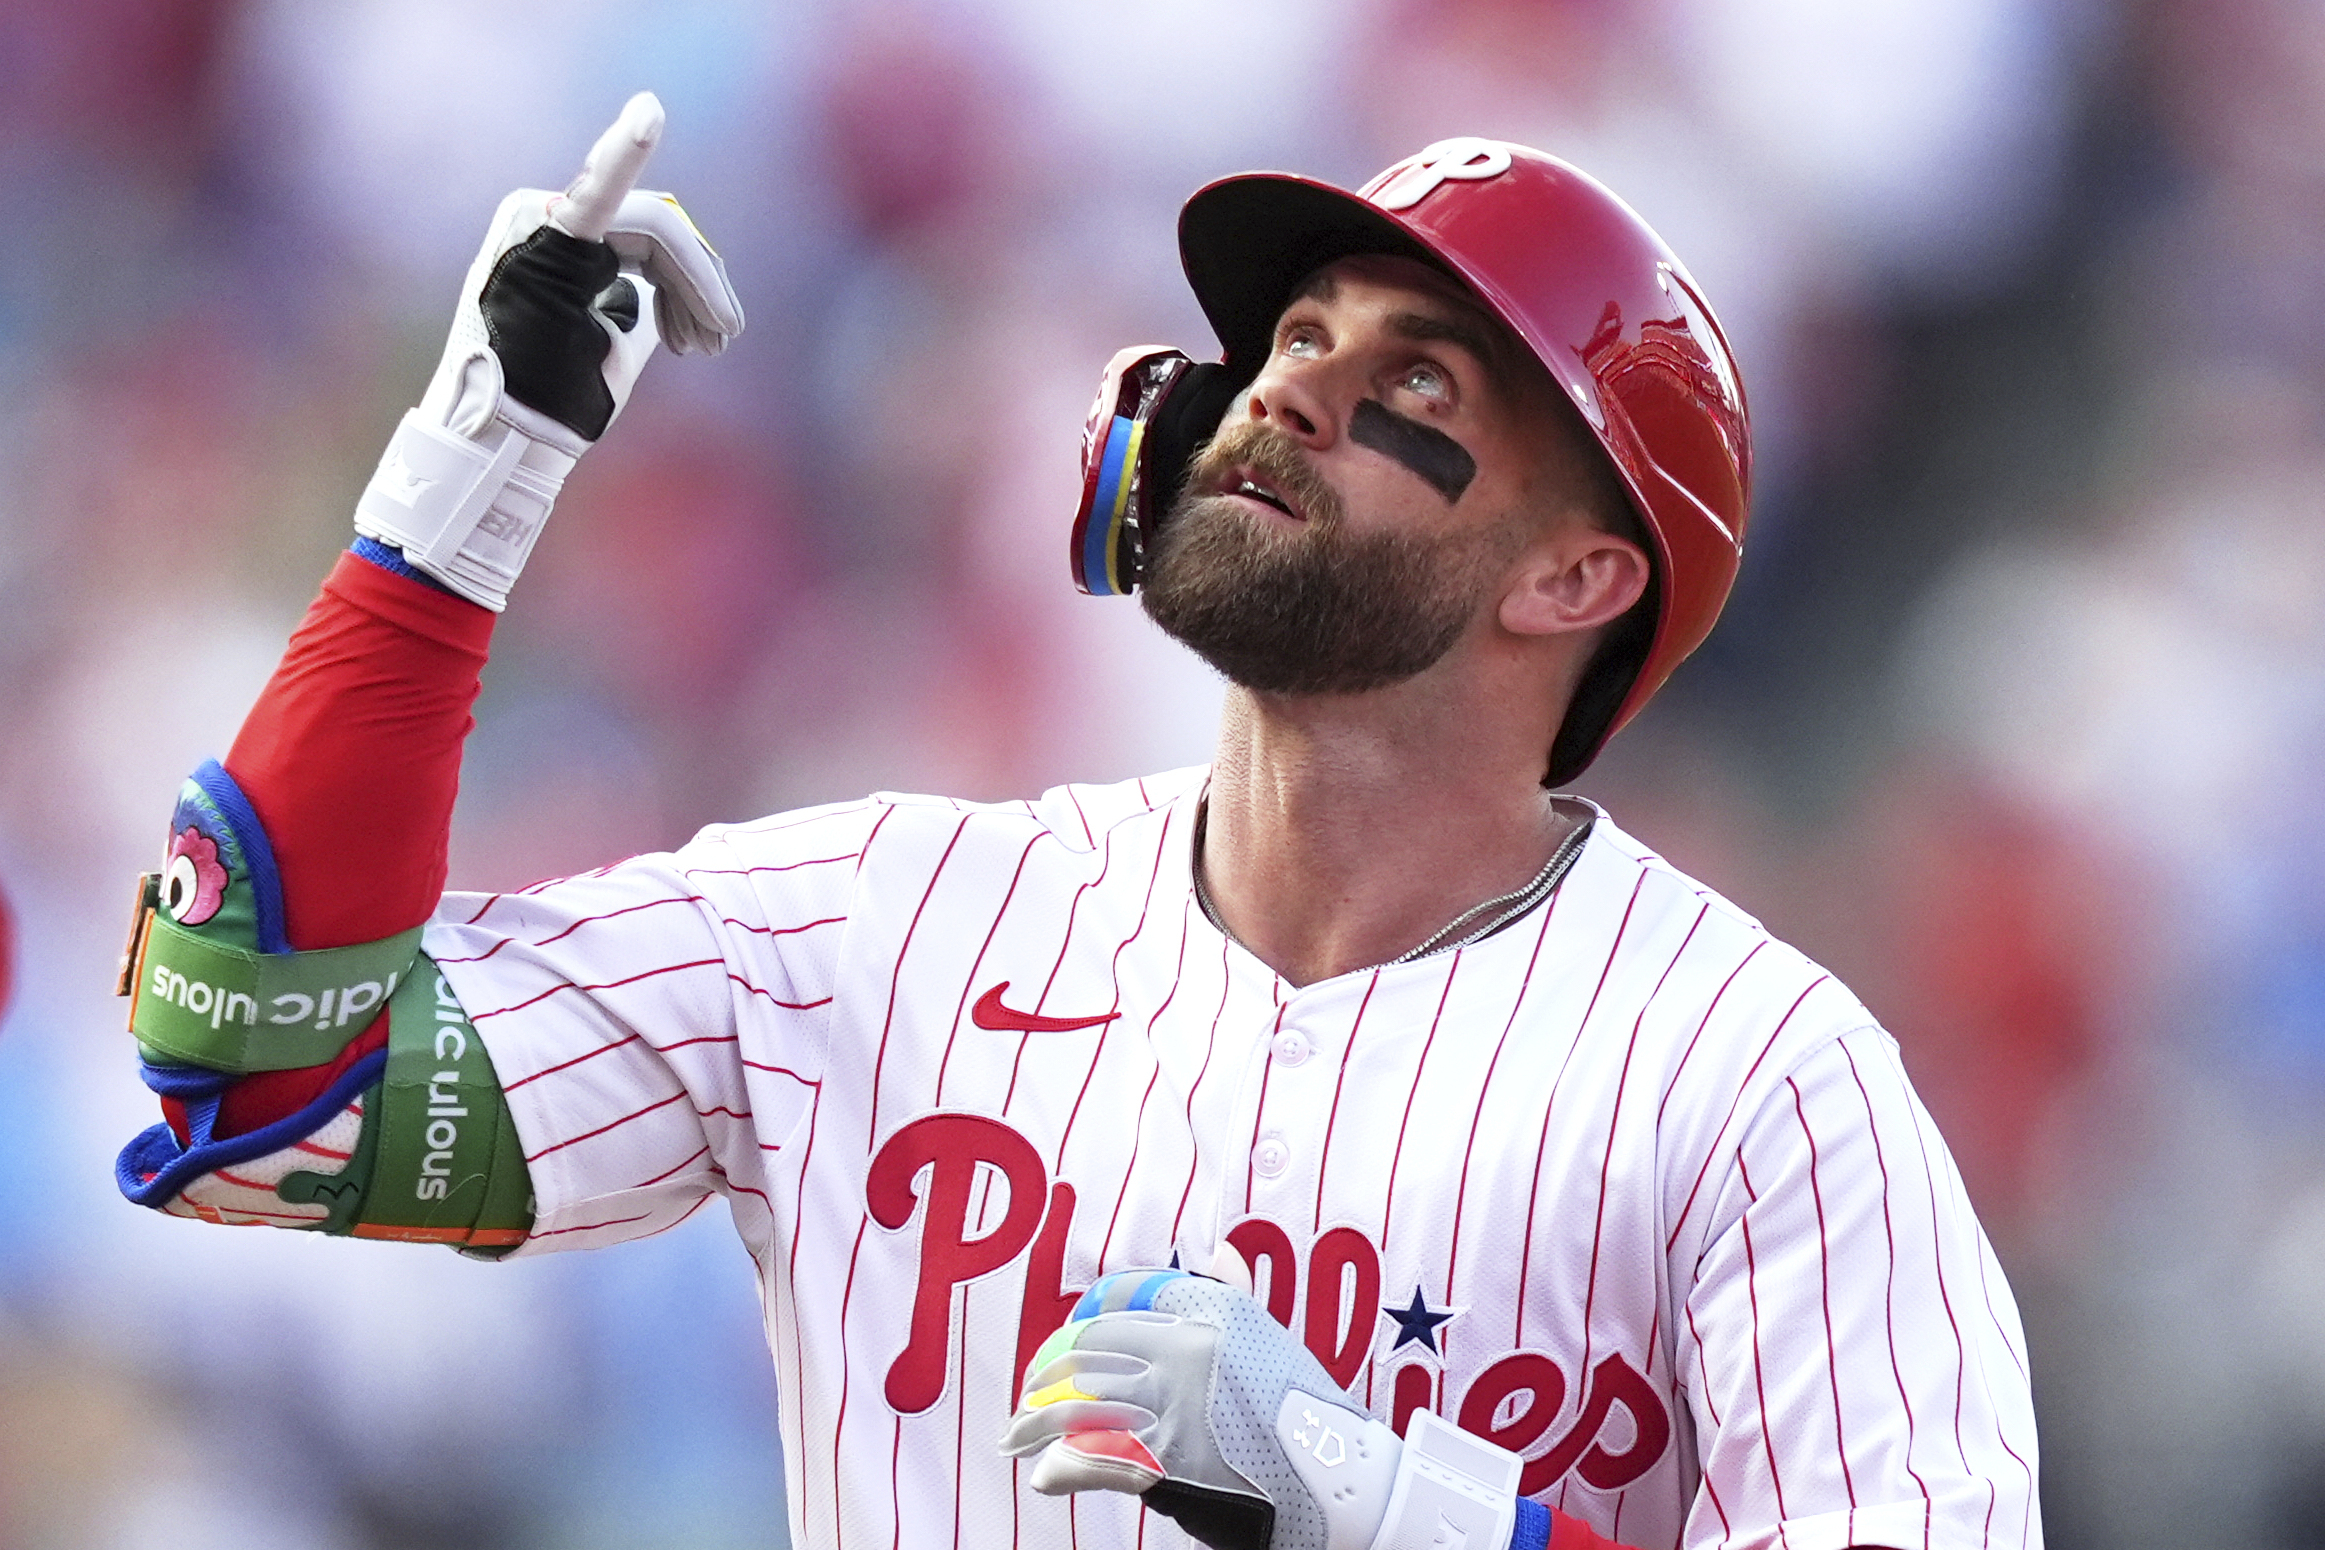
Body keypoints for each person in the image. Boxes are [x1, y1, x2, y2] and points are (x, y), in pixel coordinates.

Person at [111, 98, 2040, 1550]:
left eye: (1413, 382)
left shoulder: (1761, 1082)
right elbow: (268, 1079)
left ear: (1571, 577)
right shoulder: (878, 918)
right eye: (1297, 336)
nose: (1289, 394)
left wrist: (1374, 1499)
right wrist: (473, 469)